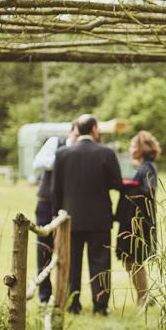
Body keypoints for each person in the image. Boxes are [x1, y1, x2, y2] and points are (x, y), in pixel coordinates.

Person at [51, 114, 122, 315]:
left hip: (71, 219)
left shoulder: (62, 154)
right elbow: (116, 183)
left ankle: (73, 305)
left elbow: (56, 190)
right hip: (100, 218)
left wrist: (57, 218)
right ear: (94, 129)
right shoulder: (106, 153)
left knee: (72, 264)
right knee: (100, 263)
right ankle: (101, 306)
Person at [32, 121, 79, 303]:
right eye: (75, 135)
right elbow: (38, 162)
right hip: (46, 203)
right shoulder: (55, 142)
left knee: (67, 251)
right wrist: (64, 159)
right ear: (70, 133)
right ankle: (44, 295)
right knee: (44, 249)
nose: (76, 139)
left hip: (68, 207)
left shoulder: (79, 153)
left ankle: (64, 294)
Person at [115, 131, 161, 306]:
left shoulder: (148, 168)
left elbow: (149, 191)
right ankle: (143, 296)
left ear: (142, 149)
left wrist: (128, 187)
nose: (130, 149)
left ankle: (143, 298)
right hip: (133, 220)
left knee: (135, 260)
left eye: (133, 146)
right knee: (130, 260)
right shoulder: (144, 167)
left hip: (139, 221)